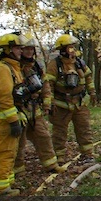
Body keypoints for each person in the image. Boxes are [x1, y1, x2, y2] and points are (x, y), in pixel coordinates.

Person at [15, 36, 65, 175]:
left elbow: (45, 85)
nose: (29, 52)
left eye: (31, 49)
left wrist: (47, 104)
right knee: (19, 142)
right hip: (19, 110)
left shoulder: (36, 67)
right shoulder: (15, 67)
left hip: (34, 109)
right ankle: (17, 169)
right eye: (26, 49)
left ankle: (51, 165)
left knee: (43, 137)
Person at [45, 34, 97, 163]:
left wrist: (92, 92)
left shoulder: (79, 63)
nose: (73, 50)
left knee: (84, 128)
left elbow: (88, 78)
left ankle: (87, 154)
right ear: (63, 49)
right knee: (59, 132)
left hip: (79, 103)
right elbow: (48, 85)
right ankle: (59, 156)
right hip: (61, 105)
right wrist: (50, 102)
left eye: (74, 47)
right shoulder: (54, 65)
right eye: (70, 47)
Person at [0, 33, 26, 195]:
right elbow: (4, 98)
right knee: (3, 152)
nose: (21, 51)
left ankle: (6, 183)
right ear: (7, 50)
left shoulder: (12, 67)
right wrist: (13, 120)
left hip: (7, 117)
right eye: (17, 48)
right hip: (3, 119)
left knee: (10, 152)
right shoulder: (3, 69)